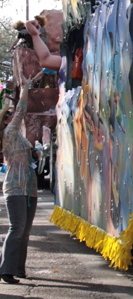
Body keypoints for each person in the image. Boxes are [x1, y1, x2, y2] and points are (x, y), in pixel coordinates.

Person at [0, 71, 42, 283]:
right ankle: (5, 270)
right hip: (16, 189)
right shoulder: (8, 134)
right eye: (9, 116)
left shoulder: (20, 138)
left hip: (29, 189)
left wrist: (35, 153)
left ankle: (18, 269)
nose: (13, 117)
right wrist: (25, 88)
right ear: (6, 121)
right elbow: (21, 109)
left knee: (24, 232)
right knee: (16, 229)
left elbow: (30, 158)